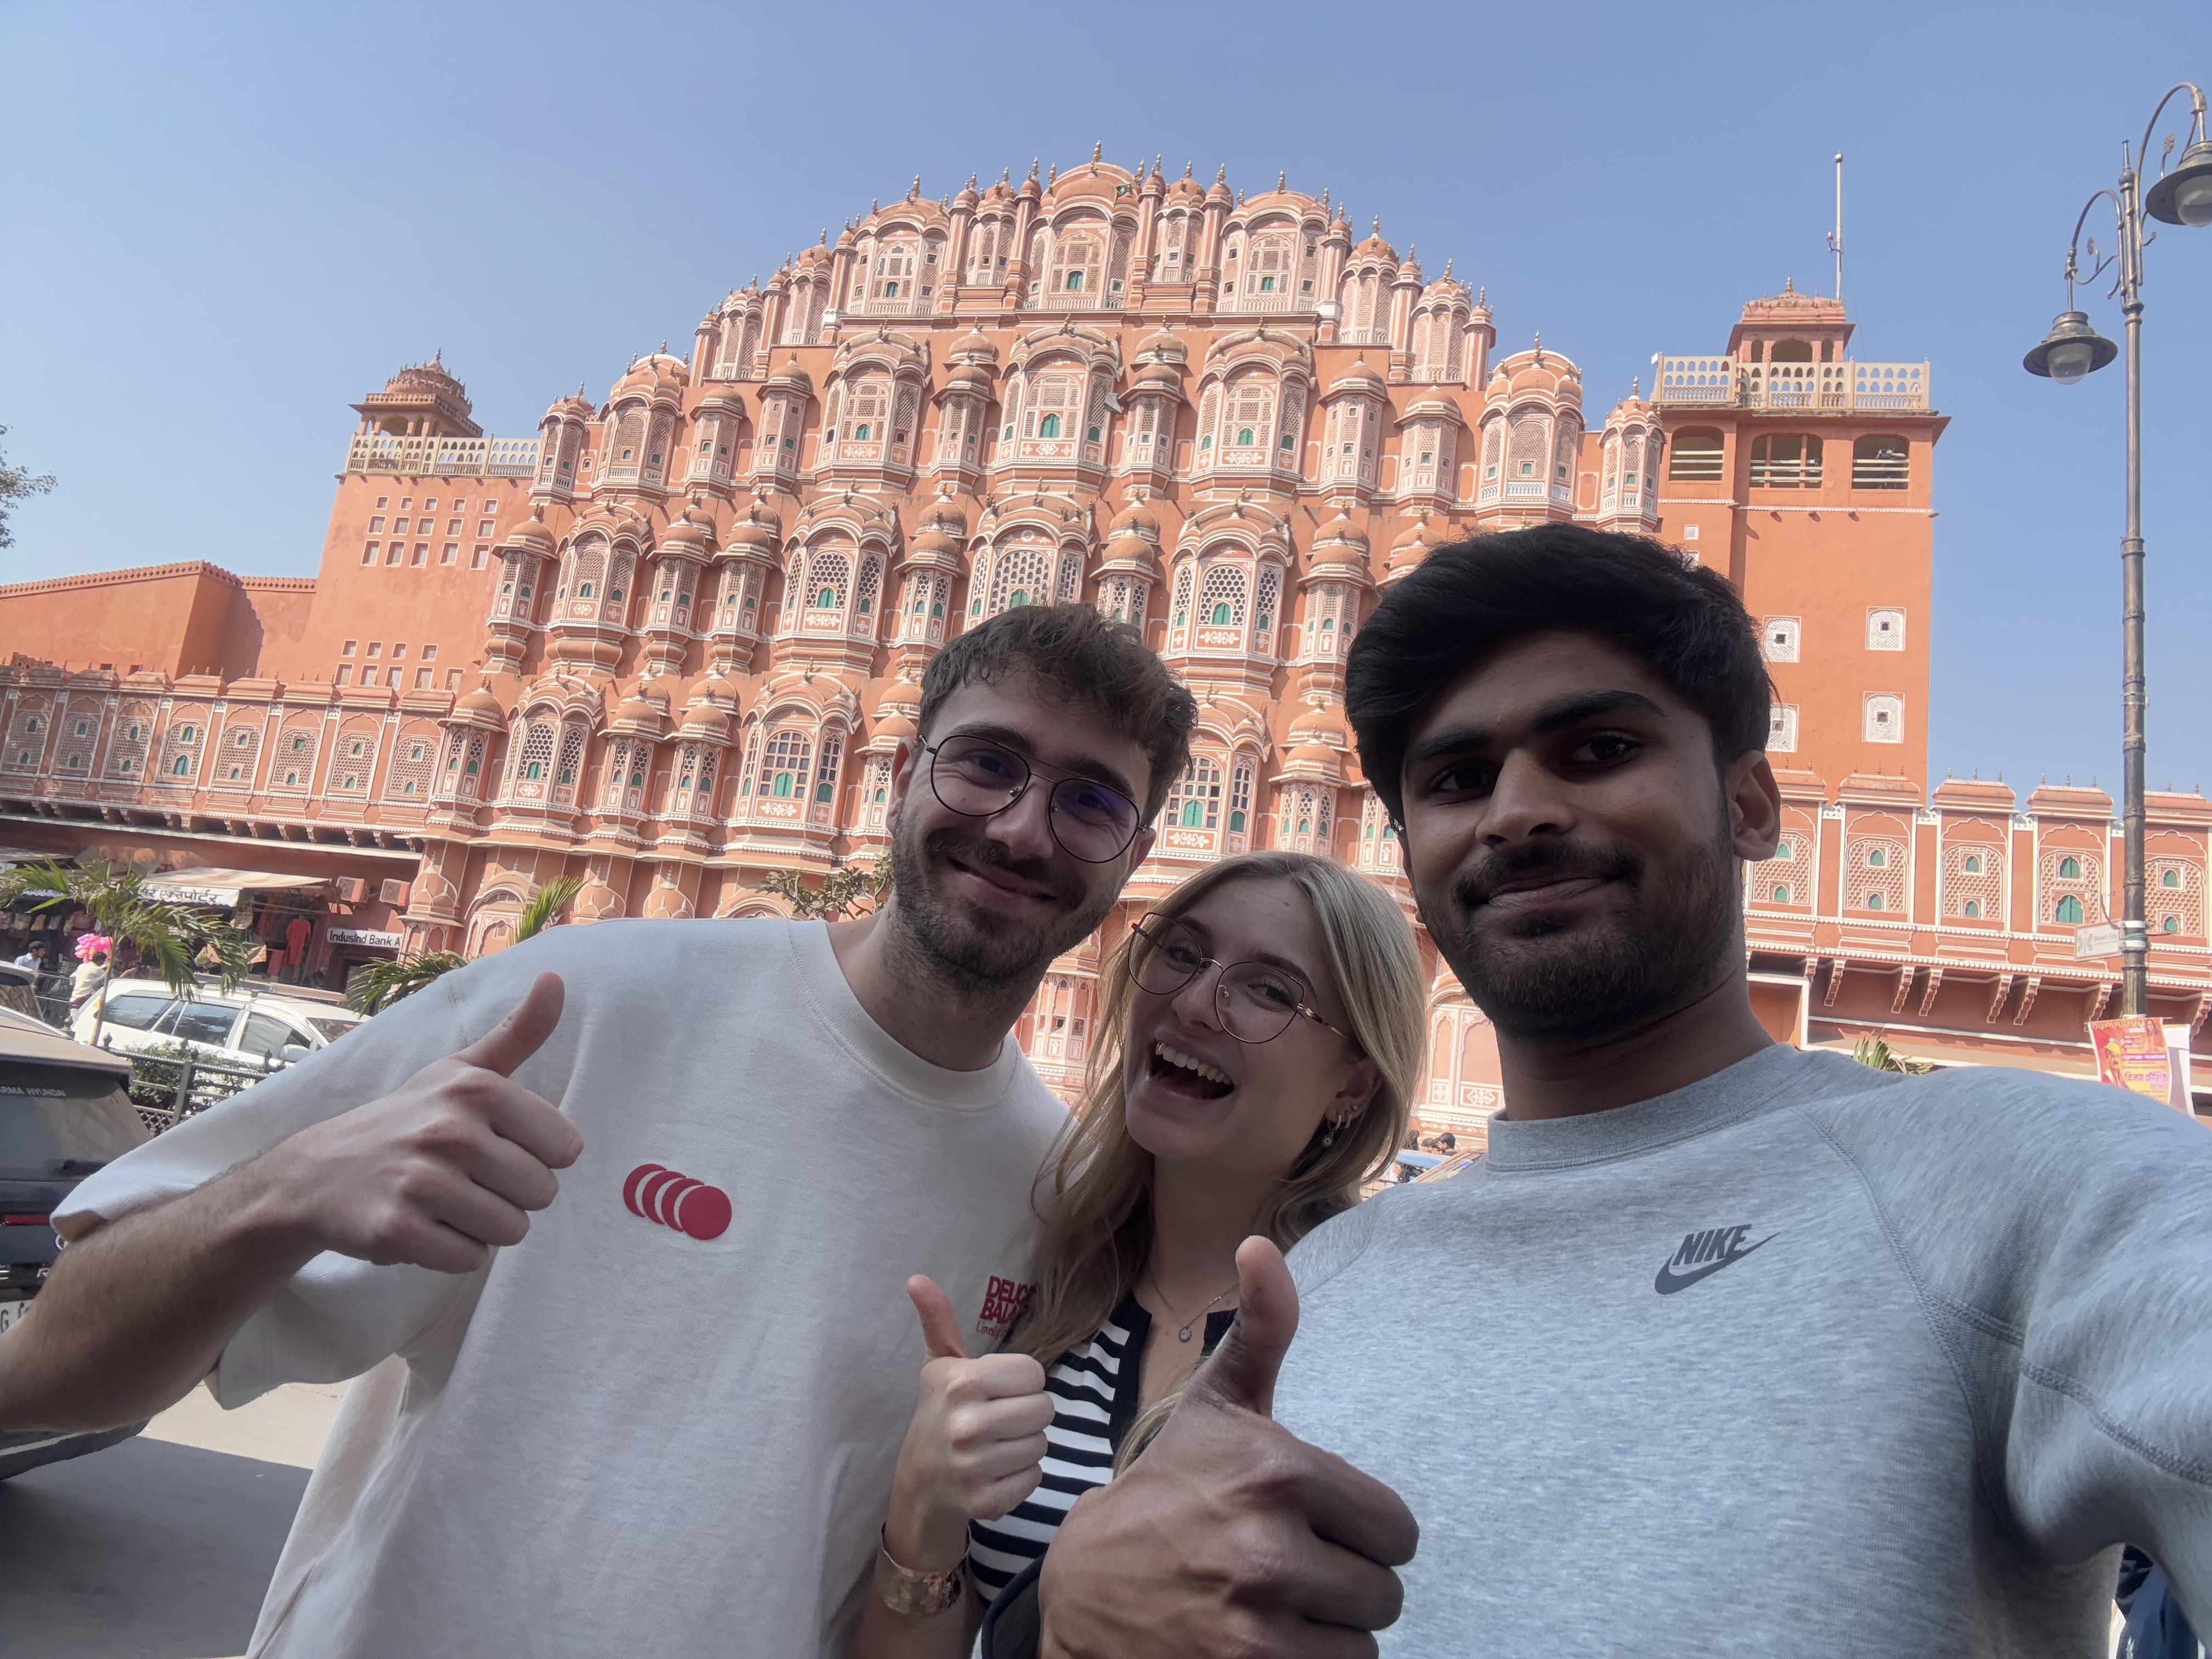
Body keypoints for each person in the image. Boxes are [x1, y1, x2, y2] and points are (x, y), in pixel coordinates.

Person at [992, 524, 2212, 1656]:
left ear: (1750, 804)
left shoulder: (2001, 1179)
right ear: (1412, 854)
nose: (1519, 811)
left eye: (1599, 750)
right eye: (1458, 779)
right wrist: (1067, 1609)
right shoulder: (1330, 1280)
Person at [0, 603, 1195, 1659]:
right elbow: (49, 1372)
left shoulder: (1052, 1193)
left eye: (1090, 800)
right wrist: (282, 1189)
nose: (1023, 829)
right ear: (898, 773)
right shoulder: (588, 1002)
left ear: (1134, 856)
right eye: (986, 763)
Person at [853, 851, 1423, 1658]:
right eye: (1182, 954)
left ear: (1353, 1085)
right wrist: (925, 1509)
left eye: (1270, 991)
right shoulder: (1057, 1280)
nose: (1192, 1003)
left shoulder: (1370, 1331)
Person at [67, 947, 108, 1012]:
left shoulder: (81, 966)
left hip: (74, 998)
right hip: (83, 1000)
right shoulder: (97, 970)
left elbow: (72, 977)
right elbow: (107, 974)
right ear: (101, 961)